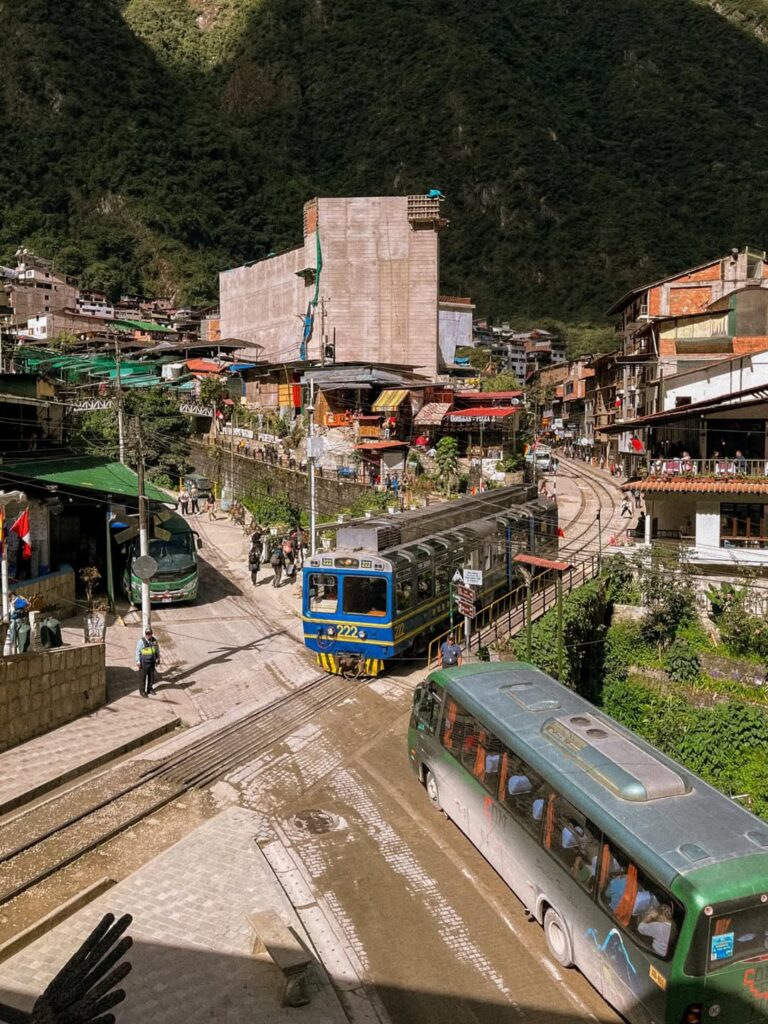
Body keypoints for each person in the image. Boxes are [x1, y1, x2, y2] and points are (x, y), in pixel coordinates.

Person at [135, 626, 160, 697]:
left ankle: (150, 689)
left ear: (152, 633)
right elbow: (137, 651)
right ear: (145, 634)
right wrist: (138, 662)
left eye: (149, 633)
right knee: (142, 678)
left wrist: (158, 658)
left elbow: (157, 650)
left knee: (151, 677)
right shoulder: (141, 642)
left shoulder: (154, 641)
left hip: (152, 662)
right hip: (143, 663)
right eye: (147, 633)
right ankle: (142, 691)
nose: (148, 635)